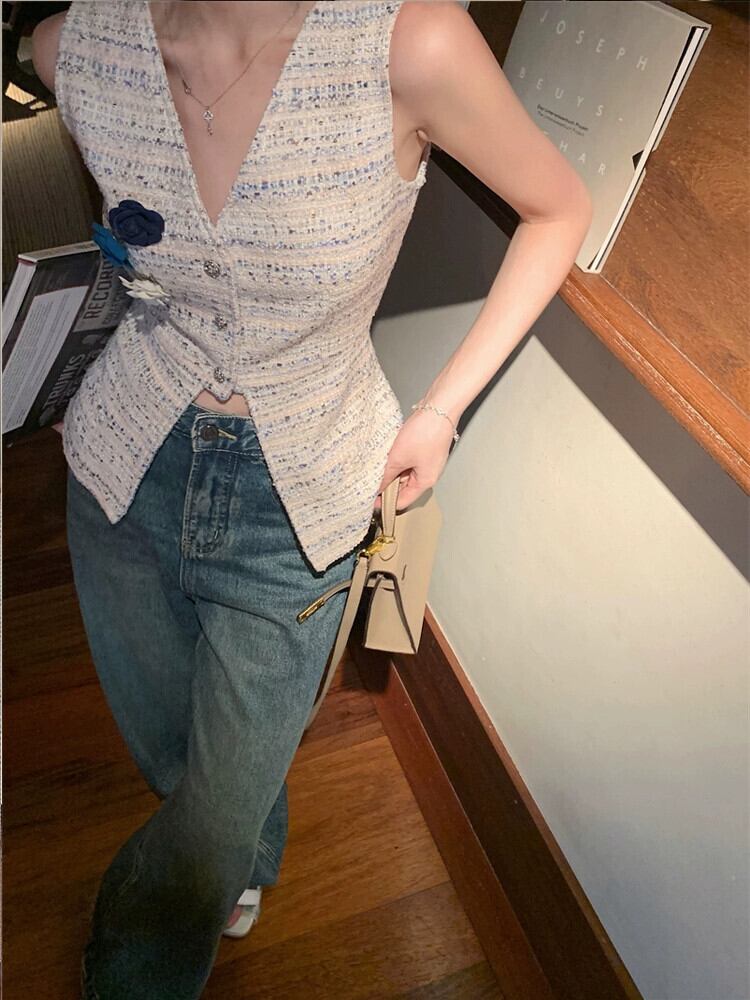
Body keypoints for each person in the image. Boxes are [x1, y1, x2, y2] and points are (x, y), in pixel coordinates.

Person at [31, 1, 592, 996]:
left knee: (210, 820)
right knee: (171, 748)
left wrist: (441, 411)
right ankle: (244, 858)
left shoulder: (407, 42)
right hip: (122, 468)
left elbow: (559, 210)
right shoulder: (69, 47)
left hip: (297, 493)